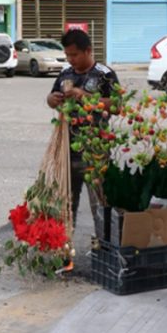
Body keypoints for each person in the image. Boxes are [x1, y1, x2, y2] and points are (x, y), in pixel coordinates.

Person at [45, 30, 119, 230]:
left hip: (95, 150)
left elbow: (117, 105)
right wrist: (52, 100)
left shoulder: (104, 74)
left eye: (74, 55)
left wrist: (85, 96)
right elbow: (51, 98)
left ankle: (104, 250)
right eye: (67, 55)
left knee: (101, 204)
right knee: (65, 205)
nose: (70, 59)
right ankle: (65, 252)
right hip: (66, 151)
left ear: (88, 51)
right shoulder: (65, 73)